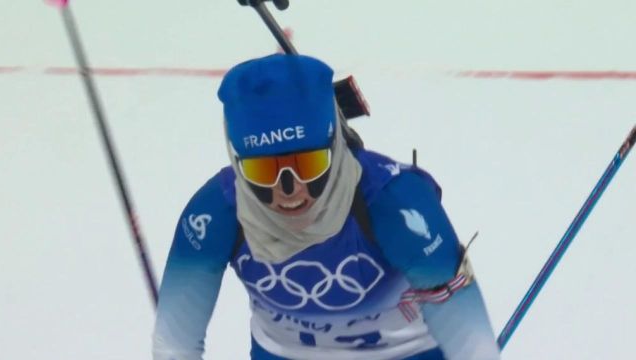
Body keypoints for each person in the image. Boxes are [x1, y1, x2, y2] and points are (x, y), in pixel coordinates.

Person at [152, 53, 501, 360]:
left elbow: (470, 340)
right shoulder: (215, 214)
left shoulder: (398, 205)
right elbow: (175, 345)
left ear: (334, 145)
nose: (288, 192)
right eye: (261, 171)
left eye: (307, 166)